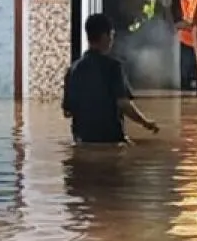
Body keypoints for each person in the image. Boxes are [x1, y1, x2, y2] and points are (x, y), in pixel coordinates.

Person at [62, 13, 160, 143]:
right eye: (112, 35)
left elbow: (67, 112)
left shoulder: (72, 70)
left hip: (82, 139)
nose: (112, 40)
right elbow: (124, 104)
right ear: (105, 36)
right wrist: (146, 123)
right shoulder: (113, 67)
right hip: (110, 139)